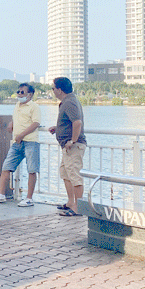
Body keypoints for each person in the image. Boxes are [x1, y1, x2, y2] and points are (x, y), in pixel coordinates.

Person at [0, 83, 41, 207]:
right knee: (6, 167)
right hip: (17, 143)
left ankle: (29, 198)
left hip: (31, 142)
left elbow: (36, 123)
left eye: (22, 92)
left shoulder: (34, 107)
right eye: (18, 91)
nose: (19, 94)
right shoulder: (17, 105)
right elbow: (17, 118)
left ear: (30, 94)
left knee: (32, 170)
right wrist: (11, 123)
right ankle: (1, 195)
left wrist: (22, 134)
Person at [48, 76, 87, 216]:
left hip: (73, 147)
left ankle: (78, 207)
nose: (52, 91)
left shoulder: (70, 102)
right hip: (67, 147)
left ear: (59, 89)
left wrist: (73, 141)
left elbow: (77, 123)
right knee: (65, 173)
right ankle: (71, 202)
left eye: (53, 88)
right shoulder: (67, 101)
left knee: (74, 176)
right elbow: (70, 123)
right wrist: (58, 128)